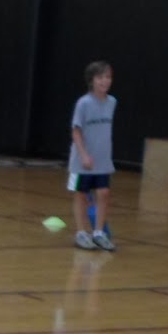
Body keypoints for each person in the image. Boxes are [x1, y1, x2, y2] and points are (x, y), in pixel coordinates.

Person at [69, 61, 117, 251]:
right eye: (100, 77)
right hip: (83, 161)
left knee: (104, 193)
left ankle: (98, 233)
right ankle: (81, 232)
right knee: (81, 195)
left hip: (103, 159)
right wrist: (83, 155)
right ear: (91, 80)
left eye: (108, 77)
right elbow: (76, 131)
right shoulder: (84, 103)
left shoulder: (112, 102)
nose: (105, 81)